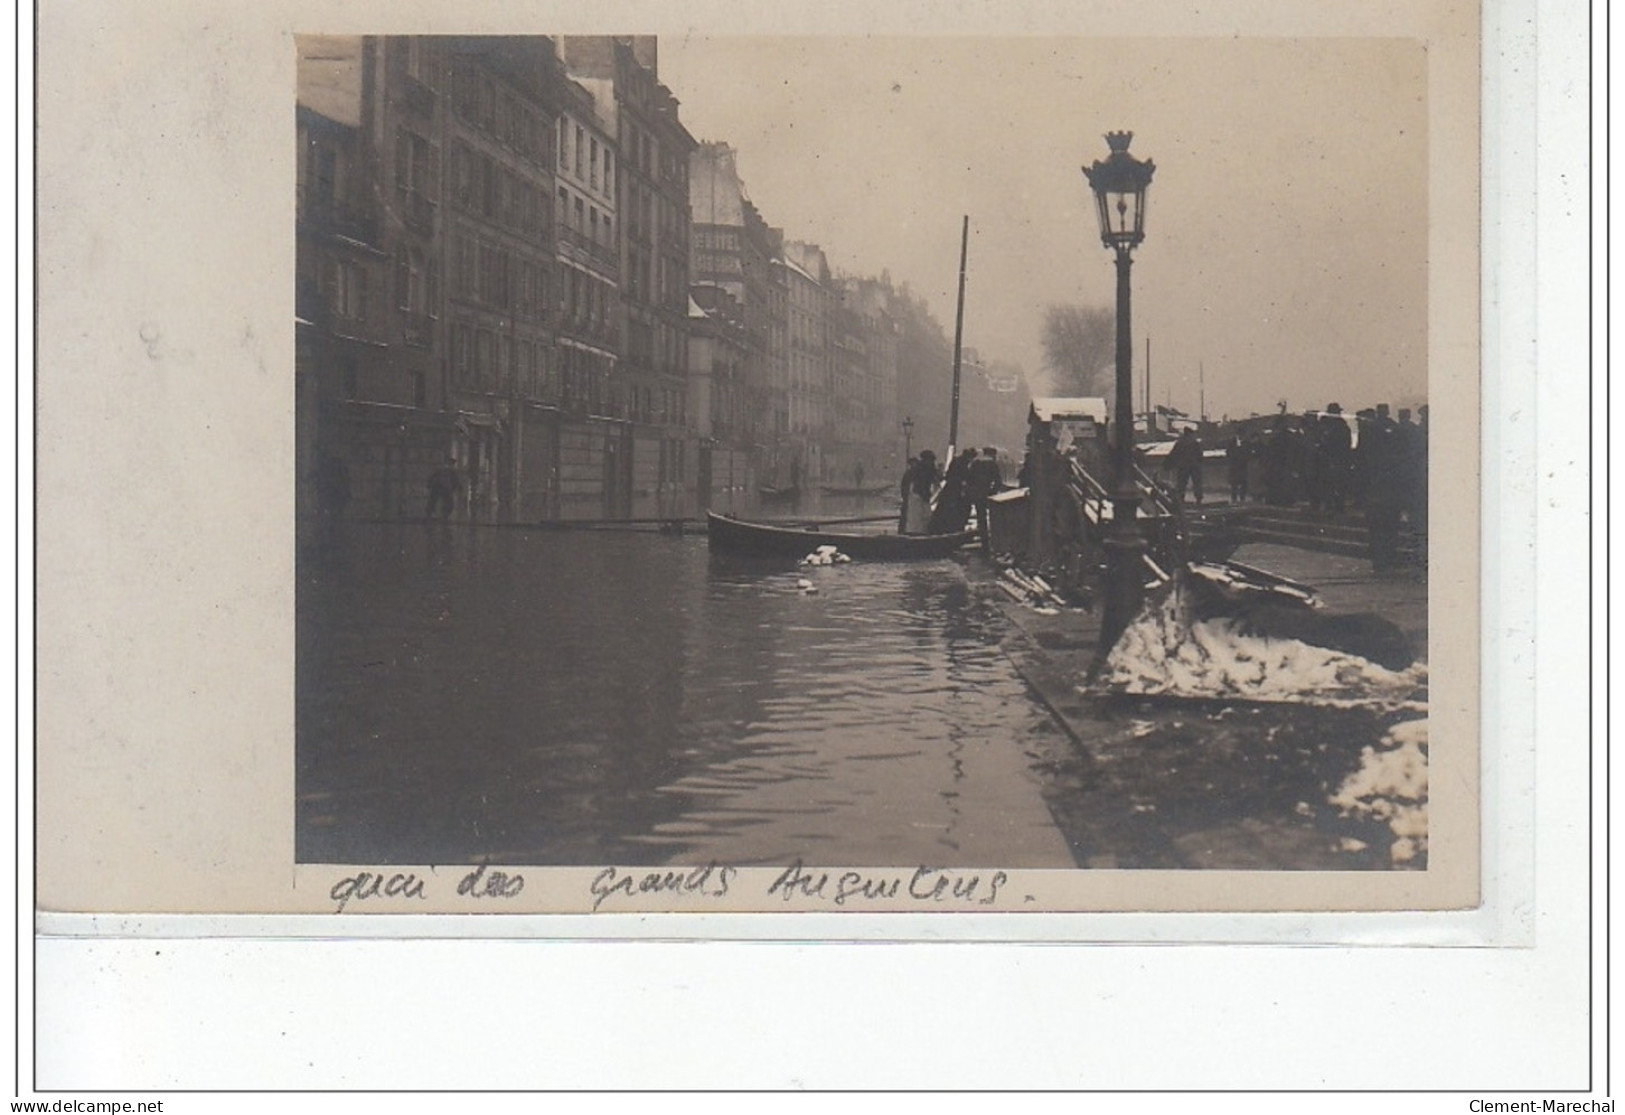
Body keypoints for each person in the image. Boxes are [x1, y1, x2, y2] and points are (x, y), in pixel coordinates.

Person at [928, 448, 977, 534]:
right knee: (955, 510)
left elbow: (949, 475)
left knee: (944, 509)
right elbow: (963, 477)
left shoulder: (957, 460)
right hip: (955, 490)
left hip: (950, 489)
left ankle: (940, 528)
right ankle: (953, 528)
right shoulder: (963, 463)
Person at [967, 447, 1005, 547]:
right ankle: (991, 538)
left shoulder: (976, 463)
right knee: (992, 515)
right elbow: (997, 481)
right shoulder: (992, 464)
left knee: (981, 515)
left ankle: (983, 535)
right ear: (993, 454)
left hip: (976, 493)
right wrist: (993, 492)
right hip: (986, 492)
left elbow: (969, 478)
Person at [901, 450, 938, 535]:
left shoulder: (925, 468)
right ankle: (917, 533)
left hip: (920, 494)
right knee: (917, 516)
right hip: (917, 494)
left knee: (922, 516)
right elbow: (920, 484)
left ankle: (920, 532)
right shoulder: (921, 469)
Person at [1167, 427, 1204, 504]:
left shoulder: (1180, 442)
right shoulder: (1195, 442)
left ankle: (1180, 499)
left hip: (1183, 466)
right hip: (1195, 465)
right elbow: (1200, 454)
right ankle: (1198, 498)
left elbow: (1173, 454)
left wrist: (1167, 465)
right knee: (1197, 482)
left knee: (1181, 483)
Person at [426, 457, 461, 521]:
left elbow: (456, 481)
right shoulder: (444, 470)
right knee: (436, 501)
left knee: (446, 502)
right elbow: (456, 481)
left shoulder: (449, 471)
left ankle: (443, 514)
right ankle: (437, 513)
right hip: (441, 488)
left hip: (444, 488)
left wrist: (457, 487)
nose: (450, 465)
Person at [1225, 435, 1249, 503]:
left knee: (1243, 483)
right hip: (1234, 466)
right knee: (1234, 484)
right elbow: (1228, 453)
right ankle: (1234, 498)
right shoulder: (1231, 443)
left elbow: (1248, 453)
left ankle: (1242, 498)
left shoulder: (1246, 443)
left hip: (1242, 466)